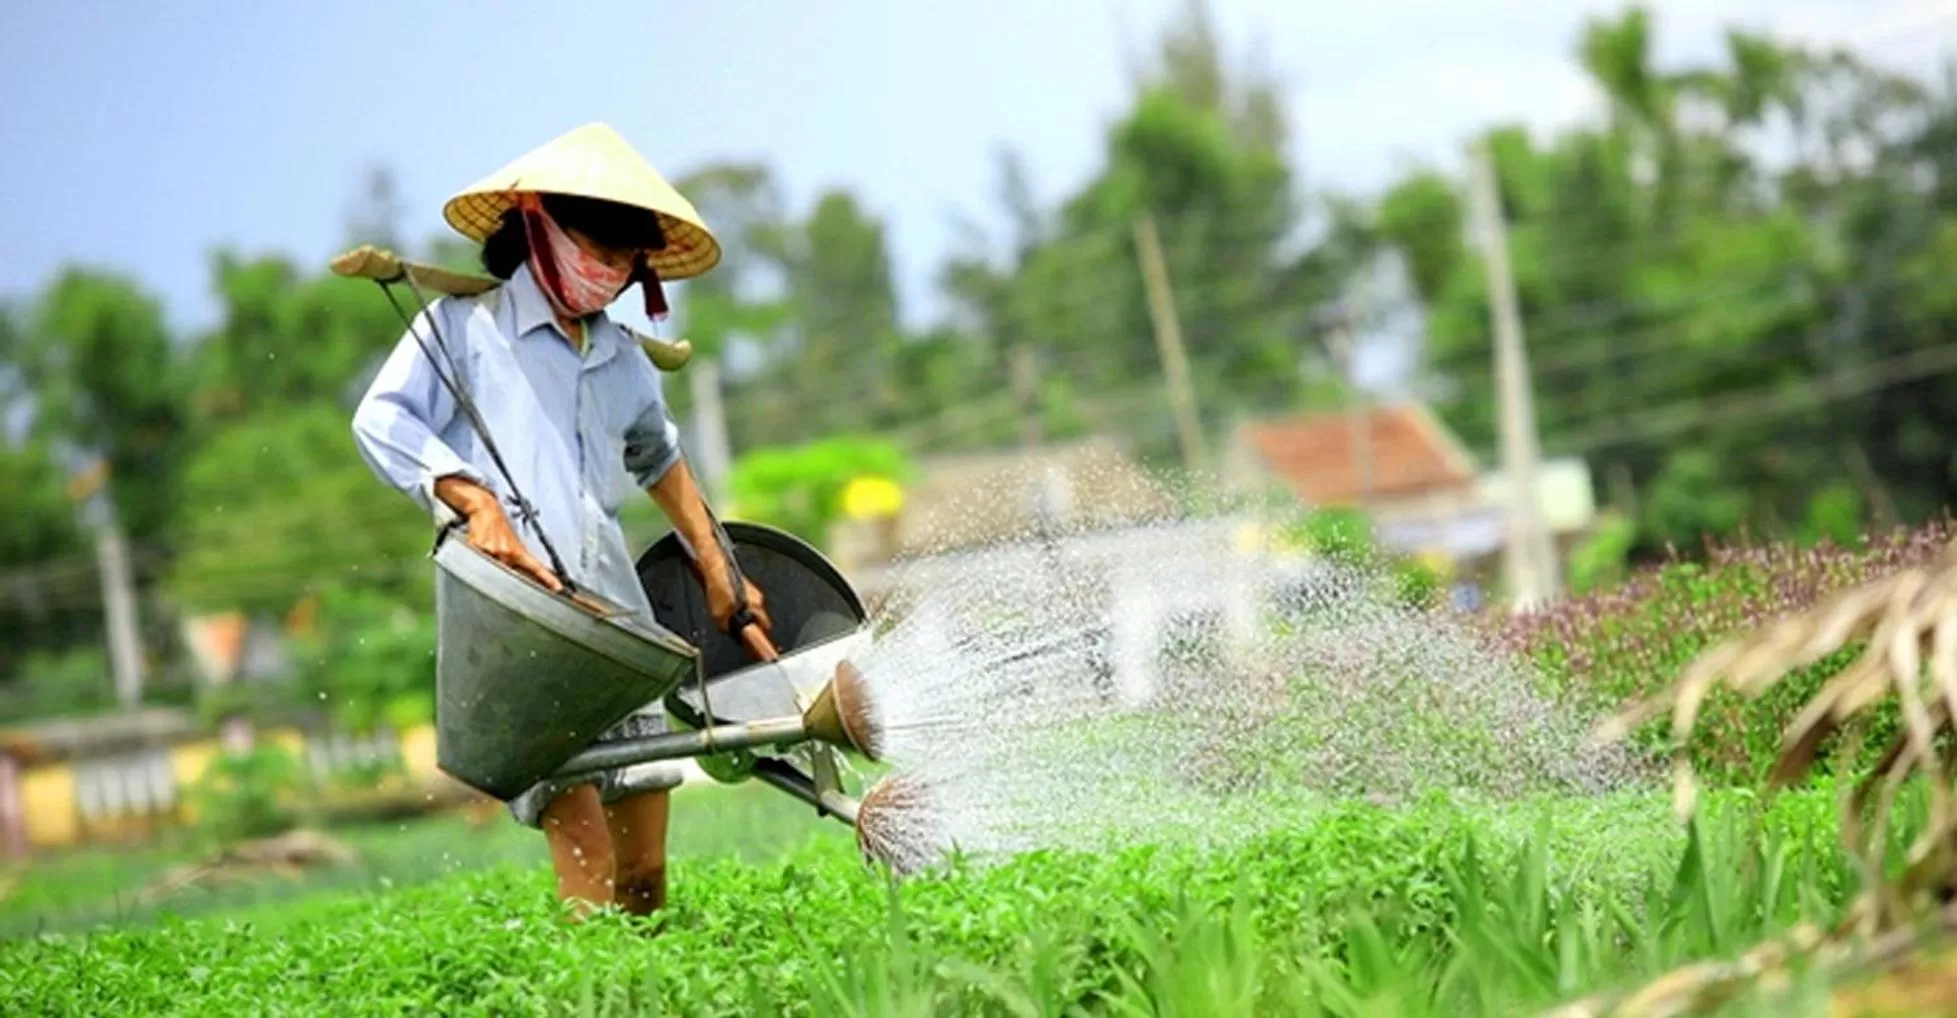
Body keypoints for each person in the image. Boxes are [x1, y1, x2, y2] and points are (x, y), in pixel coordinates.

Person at [350, 123, 771, 919]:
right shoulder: (460, 329)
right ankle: (592, 998)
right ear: (537, 225)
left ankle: (650, 998)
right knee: (590, 870)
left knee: (644, 870)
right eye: (595, 252)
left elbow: (661, 460)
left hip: (614, 626)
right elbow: (381, 421)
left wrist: (720, 568)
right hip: (522, 626)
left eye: (623, 264)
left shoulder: (620, 357)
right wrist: (471, 500)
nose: (607, 275)